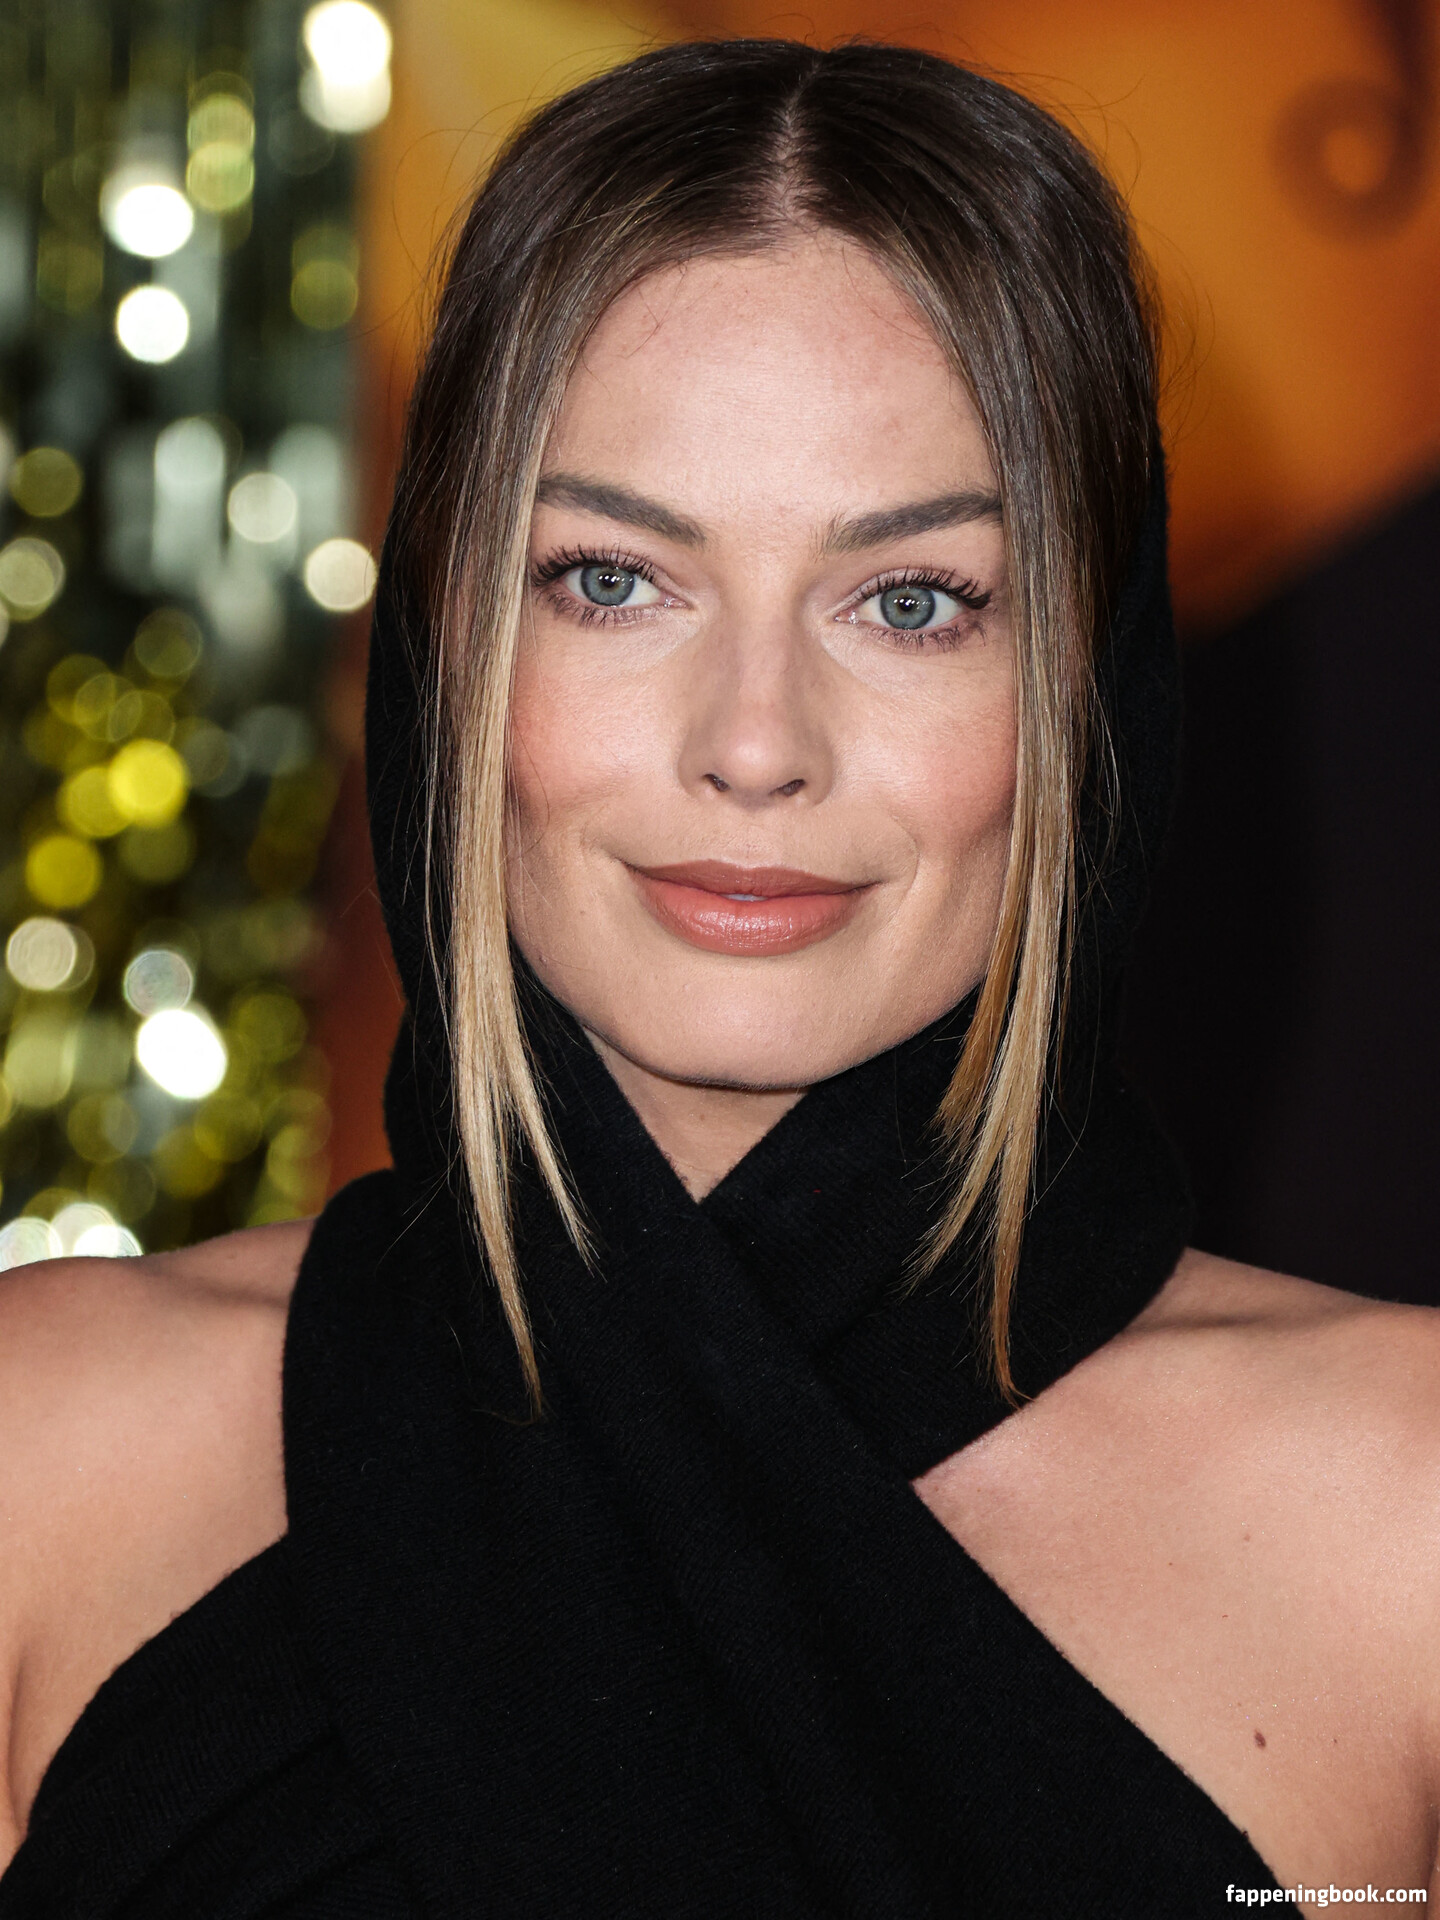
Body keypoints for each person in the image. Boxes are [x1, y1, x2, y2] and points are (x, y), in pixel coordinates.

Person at [1, 38, 1436, 1917]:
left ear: (1089, 688)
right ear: (445, 642)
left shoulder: (1404, 1515)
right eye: (613, 579)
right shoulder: (45, 1445)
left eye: (912, 601)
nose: (755, 744)